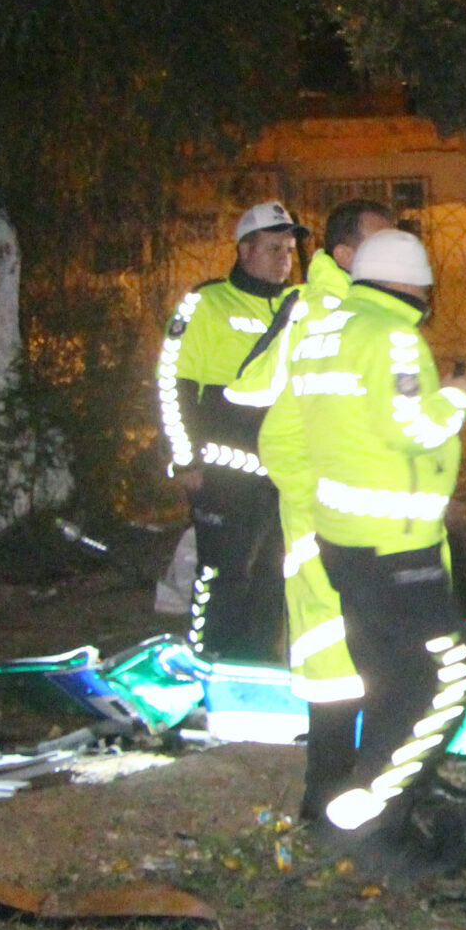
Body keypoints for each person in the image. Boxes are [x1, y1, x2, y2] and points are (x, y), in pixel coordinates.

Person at [302, 228, 466, 876]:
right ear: (416, 283)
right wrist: (456, 394)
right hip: (398, 545)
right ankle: (373, 825)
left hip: (345, 537)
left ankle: (359, 816)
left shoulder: (323, 332)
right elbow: (413, 426)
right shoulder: (393, 337)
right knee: (441, 682)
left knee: (388, 680)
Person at [225, 197, 391, 822]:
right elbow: (253, 392)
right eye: (380, 243)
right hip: (329, 519)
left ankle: (366, 792)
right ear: (344, 255)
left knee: (378, 659)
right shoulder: (315, 311)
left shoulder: (371, 311)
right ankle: (329, 797)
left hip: (370, 515)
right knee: (336, 661)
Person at [158, 201, 303, 662]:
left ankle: (257, 666)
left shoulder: (296, 305)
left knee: (274, 577)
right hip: (224, 469)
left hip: (282, 472)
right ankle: (210, 664)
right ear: (244, 250)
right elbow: (171, 385)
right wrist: (184, 458)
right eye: (274, 247)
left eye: (290, 249)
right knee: (222, 576)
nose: (285, 257)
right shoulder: (207, 303)